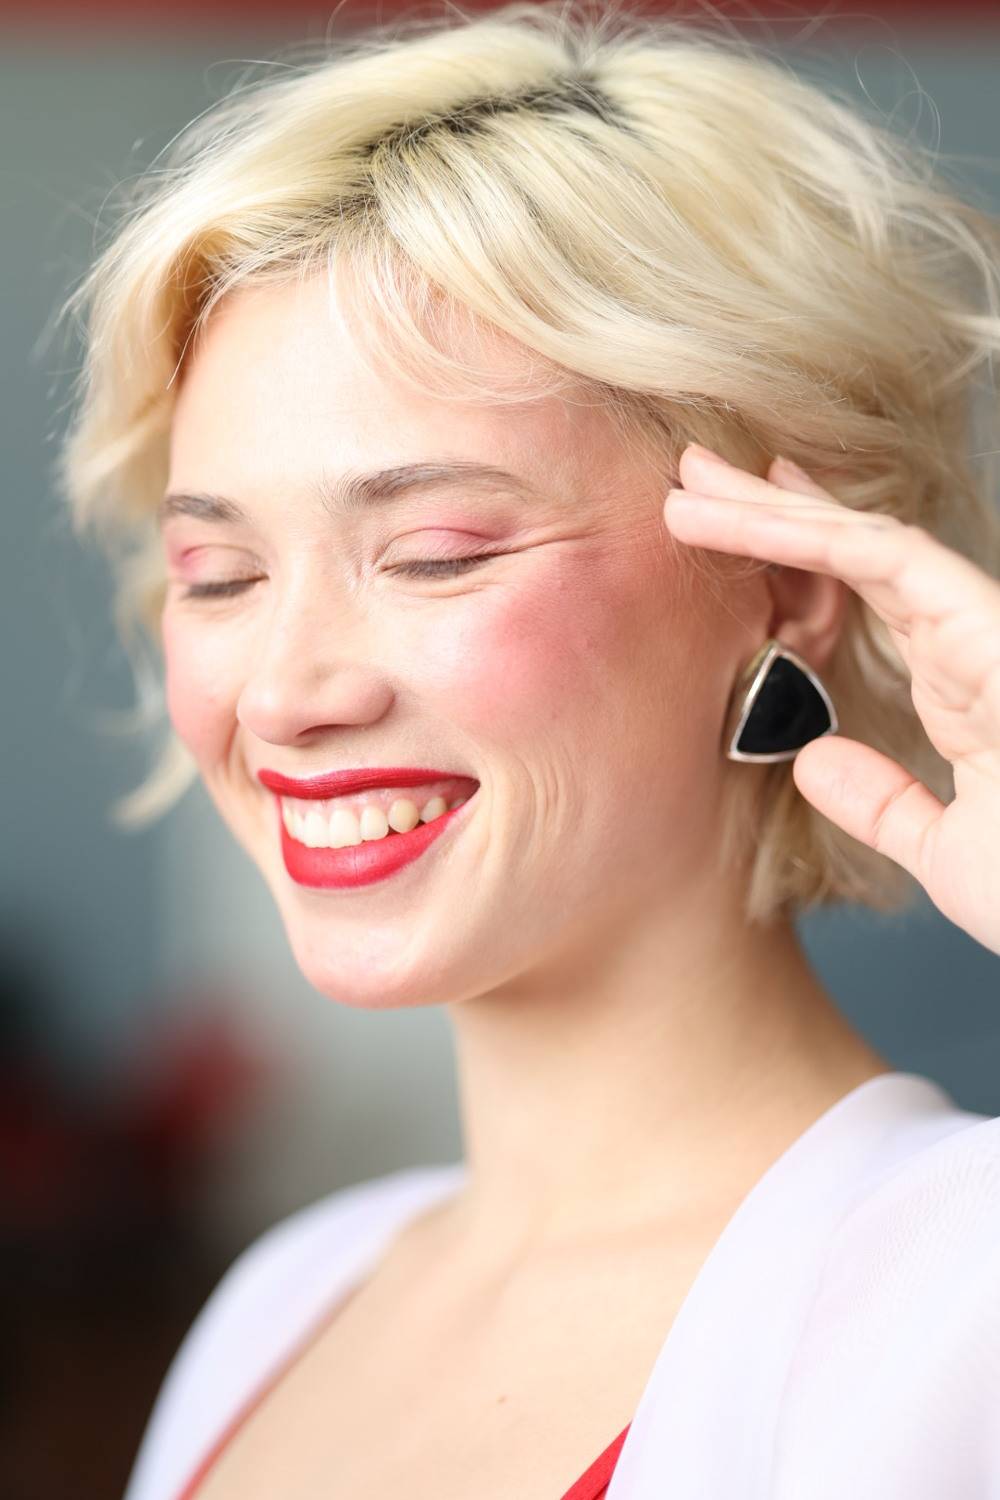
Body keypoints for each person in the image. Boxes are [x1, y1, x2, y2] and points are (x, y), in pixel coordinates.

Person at [53, 3, 1000, 1496]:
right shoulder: (281, 1308)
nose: (283, 691)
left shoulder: (960, 1293)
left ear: (787, 578)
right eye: (220, 575)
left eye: (432, 553)